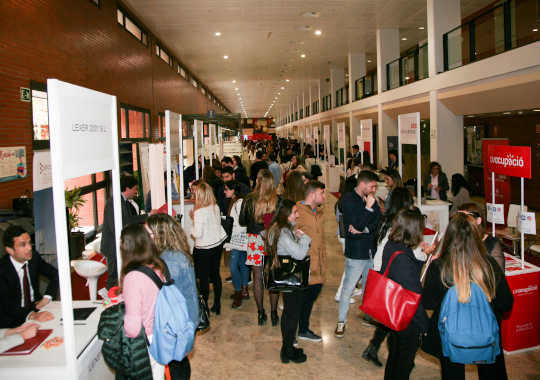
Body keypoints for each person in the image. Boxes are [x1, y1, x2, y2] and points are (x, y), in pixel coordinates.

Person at [422, 212, 514, 380]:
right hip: (485, 333)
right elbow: (506, 303)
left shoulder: (438, 266)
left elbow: (428, 302)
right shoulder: (489, 265)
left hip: (450, 334)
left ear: (449, 235)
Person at [362, 188, 436, 367]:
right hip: (397, 285)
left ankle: (373, 347)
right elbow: (413, 290)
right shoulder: (402, 251)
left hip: (384, 273)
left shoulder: (390, 227)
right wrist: (424, 253)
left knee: (388, 315)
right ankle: (374, 347)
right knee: (400, 359)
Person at [145, 214, 198, 380]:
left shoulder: (169, 261)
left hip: (178, 324)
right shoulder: (174, 254)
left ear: (160, 235)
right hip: (187, 318)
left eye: (148, 234)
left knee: (176, 366)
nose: (145, 238)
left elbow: (170, 300)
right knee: (179, 360)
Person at [379, 207, 429, 379]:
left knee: (394, 357)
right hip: (407, 320)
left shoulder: (392, 245)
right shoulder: (402, 259)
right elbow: (414, 296)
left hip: (394, 313)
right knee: (403, 364)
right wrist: (425, 326)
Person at [116, 223, 168, 380]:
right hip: (160, 335)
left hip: (145, 342)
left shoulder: (133, 278)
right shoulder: (156, 267)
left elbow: (132, 329)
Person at [334, 170, 382, 338]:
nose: (374, 190)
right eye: (372, 186)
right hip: (356, 254)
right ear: (363, 184)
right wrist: (368, 210)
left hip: (370, 252)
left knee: (369, 288)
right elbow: (354, 227)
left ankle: (367, 316)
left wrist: (364, 229)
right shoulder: (349, 202)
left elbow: (378, 222)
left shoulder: (371, 200)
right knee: (348, 289)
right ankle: (341, 321)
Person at [266, 199, 311, 364]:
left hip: (285, 277)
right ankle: (287, 351)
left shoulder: (278, 228)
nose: (297, 215)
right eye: (294, 212)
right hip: (291, 279)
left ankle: (287, 348)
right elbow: (299, 255)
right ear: (285, 214)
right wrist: (305, 239)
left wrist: (295, 235)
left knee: (289, 313)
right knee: (292, 315)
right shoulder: (283, 232)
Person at [239, 169, 280, 325]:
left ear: (258, 181)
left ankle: (260, 313)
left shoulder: (249, 199)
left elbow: (242, 221)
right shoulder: (278, 199)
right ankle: (274, 314)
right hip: (272, 240)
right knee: (272, 275)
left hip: (255, 239)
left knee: (257, 276)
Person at [102, 175, 157, 289]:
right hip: (112, 246)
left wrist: (148, 215)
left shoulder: (124, 201)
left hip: (121, 243)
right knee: (114, 276)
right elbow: (115, 227)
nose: (136, 191)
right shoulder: (113, 203)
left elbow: (130, 219)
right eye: (135, 188)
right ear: (128, 189)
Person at [0, 225, 58, 328]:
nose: (29, 248)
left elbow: (55, 274)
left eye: (29, 242)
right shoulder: (2, 270)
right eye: (23, 245)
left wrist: (46, 299)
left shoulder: (34, 258)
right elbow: (7, 305)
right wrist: (33, 315)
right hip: (12, 320)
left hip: (35, 307)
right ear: (10, 250)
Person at [296, 180, 327, 342]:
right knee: (297, 302)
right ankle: (291, 333)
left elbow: (321, 239)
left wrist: (324, 262)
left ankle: (303, 329)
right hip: (303, 267)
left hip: (318, 267)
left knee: (309, 300)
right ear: (312, 194)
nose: (324, 196)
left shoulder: (319, 212)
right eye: (322, 193)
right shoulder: (297, 211)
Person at [189, 182, 227, 315]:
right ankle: (217, 304)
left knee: (203, 279)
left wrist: (192, 227)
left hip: (204, 248)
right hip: (217, 245)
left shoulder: (199, 212)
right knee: (215, 275)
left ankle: (204, 307)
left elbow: (197, 233)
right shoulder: (215, 207)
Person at [334, 176, 362, 304]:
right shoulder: (351, 202)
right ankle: (341, 292)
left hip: (342, 235)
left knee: (350, 265)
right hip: (349, 237)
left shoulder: (340, 202)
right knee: (351, 267)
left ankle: (351, 288)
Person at [222, 180, 249, 308]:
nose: (224, 191)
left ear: (233, 190)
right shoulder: (236, 202)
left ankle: (238, 292)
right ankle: (244, 290)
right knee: (241, 263)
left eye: (226, 189)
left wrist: (230, 234)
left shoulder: (238, 203)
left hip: (237, 239)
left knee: (233, 266)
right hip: (239, 239)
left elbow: (241, 224)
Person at [457, 203, 505, 270]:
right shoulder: (456, 239)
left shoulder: (492, 243)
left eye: (467, 219)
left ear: (478, 220)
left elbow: (499, 274)